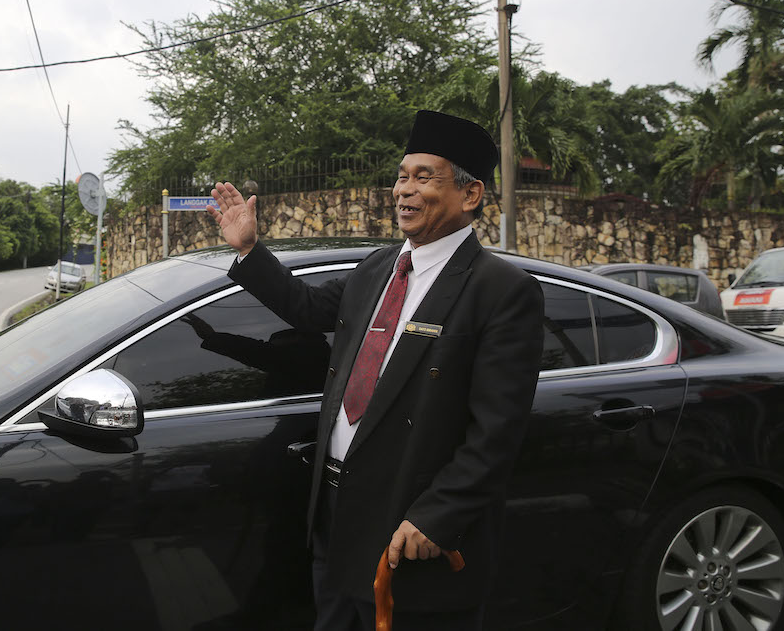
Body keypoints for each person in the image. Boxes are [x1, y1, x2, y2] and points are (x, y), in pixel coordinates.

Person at [206, 110, 544, 630]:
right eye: (402, 176)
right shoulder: (377, 268)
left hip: (411, 530)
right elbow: (309, 310)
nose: (403, 190)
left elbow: (496, 433)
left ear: (471, 195)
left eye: (423, 177)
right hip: (337, 517)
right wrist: (250, 249)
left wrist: (438, 516)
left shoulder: (500, 293)